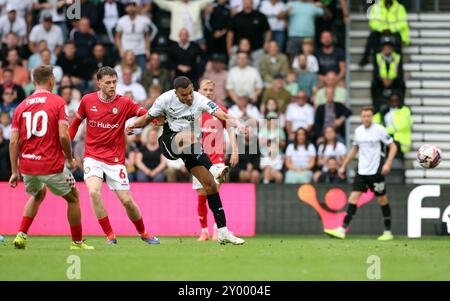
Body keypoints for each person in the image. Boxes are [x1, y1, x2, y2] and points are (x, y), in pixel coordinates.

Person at [126, 76, 246, 245]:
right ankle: (214, 169)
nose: (189, 97)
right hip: (170, 143)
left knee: (210, 185)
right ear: (176, 94)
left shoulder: (200, 99)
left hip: (191, 149)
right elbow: (147, 119)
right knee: (189, 137)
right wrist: (132, 126)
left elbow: (223, 115)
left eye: (190, 92)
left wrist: (239, 124)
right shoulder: (164, 99)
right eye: (185, 95)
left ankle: (223, 231)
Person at [68, 66, 159, 245]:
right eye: (108, 82)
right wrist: (68, 151)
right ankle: (110, 235)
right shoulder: (87, 100)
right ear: (99, 83)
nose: (112, 86)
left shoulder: (125, 103)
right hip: (92, 157)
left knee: (127, 202)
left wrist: (155, 120)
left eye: (114, 82)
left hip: (115, 160)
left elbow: (146, 115)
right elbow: (74, 125)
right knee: (94, 192)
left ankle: (144, 232)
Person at [8, 65, 94, 250]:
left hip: (27, 166)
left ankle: (21, 235)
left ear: (33, 82)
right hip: (51, 164)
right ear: (52, 81)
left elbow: (13, 142)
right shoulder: (58, 102)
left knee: (38, 194)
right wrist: (70, 159)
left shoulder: (21, 106)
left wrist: (15, 171)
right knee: (74, 197)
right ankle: (77, 242)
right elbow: (64, 136)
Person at [324, 106, 397, 240]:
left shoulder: (379, 130)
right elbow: (354, 149)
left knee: (382, 200)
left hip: (376, 171)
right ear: (361, 117)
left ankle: (388, 232)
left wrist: (388, 163)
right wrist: (343, 165)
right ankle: (342, 230)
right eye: (364, 116)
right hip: (362, 171)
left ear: (372, 117)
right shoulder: (358, 131)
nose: (366, 118)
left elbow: (393, 146)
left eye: (369, 116)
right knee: (353, 198)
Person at [194, 79, 239, 241]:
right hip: (198, 160)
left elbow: (230, 129)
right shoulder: (193, 111)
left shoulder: (219, 110)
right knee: (201, 196)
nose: (207, 93)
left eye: (210, 90)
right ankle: (204, 231)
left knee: (215, 192)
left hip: (217, 159)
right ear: (199, 91)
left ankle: (217, 229)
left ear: (214, 92)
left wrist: (235, 151)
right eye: (205, 90)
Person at [359, 0, 409, 67]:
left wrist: (390, 29)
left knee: (398, 45)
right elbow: (372, 22)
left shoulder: (399, 7)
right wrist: (383, 29)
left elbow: (403, 23)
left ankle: (398, 65)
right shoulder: (376, 7)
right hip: (381, 32)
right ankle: (365, 58)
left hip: (394, 32)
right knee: (372, 38)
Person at [227, 0, 271, 67]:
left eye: (249, 3)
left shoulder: (260, 16)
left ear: (252, 4)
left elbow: (267, 31)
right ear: (242, 4)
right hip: (238, 50)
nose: (247, 5)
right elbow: (230, 34)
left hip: (256, 49)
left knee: (257, 70)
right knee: (232, 66)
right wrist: (229, 48)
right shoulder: (236, 17)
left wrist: (267, 42)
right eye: (245, 3)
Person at [115, 1, 152, 71]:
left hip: (140, 51)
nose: (131, 8)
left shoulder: (144, 20)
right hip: (126, 52)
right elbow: (117, 37)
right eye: (129, 5)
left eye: (133, 5)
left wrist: (147, 49)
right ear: (125, 8)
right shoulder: (121, 21)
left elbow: (147, 36)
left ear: (137, 8)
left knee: (142, 73)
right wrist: (120, 49)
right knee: (125, 72)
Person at [371, 36, 405, 113]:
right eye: (385, 48)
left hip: (394, 80)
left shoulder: (397, 57)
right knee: (374, 84)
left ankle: (401, 104)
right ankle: (376, 107)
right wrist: (382, 79)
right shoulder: (378, 56)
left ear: (392, 49)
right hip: (381, 81)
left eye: (389, 48)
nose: (387, 50)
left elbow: (400, 72)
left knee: (402, 83)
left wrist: (392, 79)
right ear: (382, 49)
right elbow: (376, 71)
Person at [373, 93, 412, 157]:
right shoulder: (385, 111)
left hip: (400, 142)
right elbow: (374, 120)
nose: (394, 102)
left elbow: (400, 125)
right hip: (387, 138)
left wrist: (383, 131)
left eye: (396, 100)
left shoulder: (405, 110)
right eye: (392, 100)